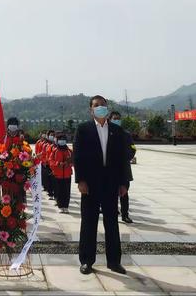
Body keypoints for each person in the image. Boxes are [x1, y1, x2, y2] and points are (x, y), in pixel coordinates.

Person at [74, 95, 129, 275]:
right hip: (90, 184)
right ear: (91, 110)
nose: (100, 108)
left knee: (112, 223)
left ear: (107, 108)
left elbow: (123, 159)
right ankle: (86, 261)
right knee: (88, 223)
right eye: (96, 106)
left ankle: (114, 261)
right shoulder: (83, 130)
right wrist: (80, 180)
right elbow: (78, 157)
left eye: (103, 105)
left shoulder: (116, 131)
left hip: (110, 183)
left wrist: (123, 183)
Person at [109, 111, 136, 224]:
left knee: (124, 192)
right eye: (115, 118)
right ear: (109, 119)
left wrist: (125, 156)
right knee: (111, 193)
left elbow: (133, 148)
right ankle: (113, 212)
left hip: (124, 168)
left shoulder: (126, 134)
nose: (117, 120)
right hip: (110, 168)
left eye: (118, 118)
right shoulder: (106, 133)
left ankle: (125, 215)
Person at [50, 132, 73, 213]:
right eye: (60, 140)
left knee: (67, 191)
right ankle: (60, 206)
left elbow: (73, 161)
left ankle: (66, 206)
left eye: (63, 140)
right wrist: (58, 164)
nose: (62, 141)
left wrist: (69, 163)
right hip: (58, 174)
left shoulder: (69, 151)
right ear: (57, 141)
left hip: (67, 174)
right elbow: (51, 161)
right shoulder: (55, 150)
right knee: (59, 191)